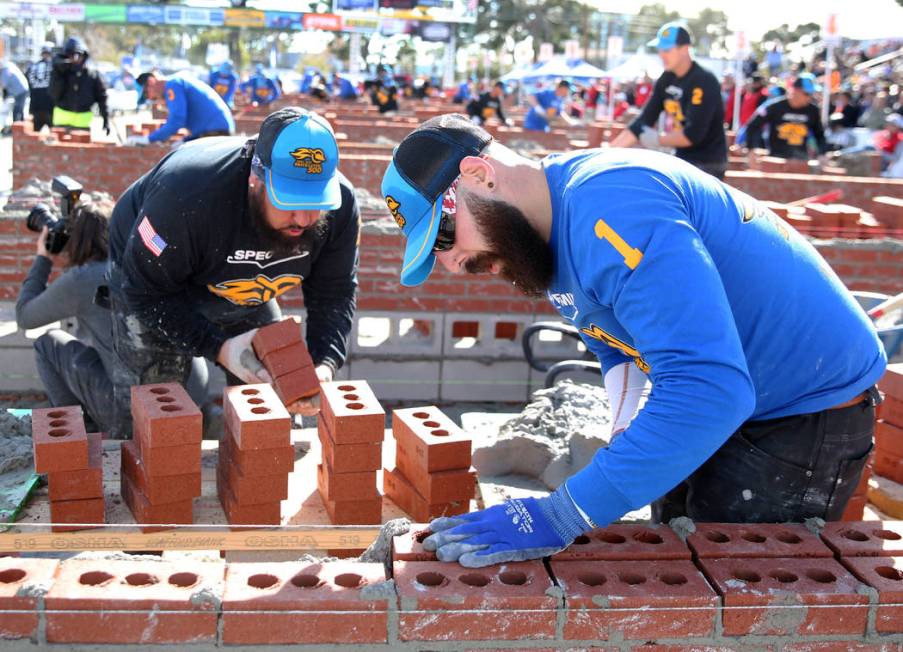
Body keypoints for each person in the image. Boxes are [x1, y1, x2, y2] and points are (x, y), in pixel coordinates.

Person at [380, 114, 886, 568]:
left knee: (732, 594)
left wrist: (565, 513)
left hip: (800, 413)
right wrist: (625, 432)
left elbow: (708, 389)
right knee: (675, 561)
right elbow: (615, 344)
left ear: (477, 175)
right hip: (731, 400)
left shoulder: (612, 207)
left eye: (444, 239)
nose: (451, 262)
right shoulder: (547, 235)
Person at [106, 107, 360, 438]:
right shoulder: (186, 196)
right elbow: (145, 291)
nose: (302, 218)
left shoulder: (340, 207)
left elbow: (334, 291)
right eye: (289, 202)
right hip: (161, 280)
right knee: (153, 414)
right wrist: (220, 348)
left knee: (273, 405)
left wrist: (324, 364)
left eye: (315, 204)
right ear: (256, 179)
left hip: (243, 283)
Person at [610, 22, 727, 180]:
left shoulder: (704, 81)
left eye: (667, 50)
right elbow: (643, 121)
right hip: (683, 157)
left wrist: (658, 139)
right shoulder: (666, 79)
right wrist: (606, 155)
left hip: (708, 162)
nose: (661, 55)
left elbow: (693, 135)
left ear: (685, 49)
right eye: (659, 49)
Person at [127, 70, 234, 146]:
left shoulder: (172, 85)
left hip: (215, 131)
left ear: (151, 82)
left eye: (146, 94)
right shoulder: (175, 83)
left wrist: (148, 139)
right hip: (214, 130)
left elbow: (177, 120)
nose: (150, 98)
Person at [743, 73, 827, 162]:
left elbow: (820, 135)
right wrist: (751, 149)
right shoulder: (774, 106)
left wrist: (822, 153)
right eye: (806, 94)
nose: (809, 98)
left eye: (811, 94)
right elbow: (752, 126)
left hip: (800, 160)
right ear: (795, 90)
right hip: (775, 159)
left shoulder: (813, 110)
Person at [49, 36, 109, 134]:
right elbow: (54, 93)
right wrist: (59, 71)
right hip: (61, 124)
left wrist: (106, 119)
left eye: (78, 55)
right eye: (71, 56)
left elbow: (102, 98)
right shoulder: (61, 72)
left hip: (83, 124)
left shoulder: (92, 75)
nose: (75, 59)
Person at [25, 43, 55, 132]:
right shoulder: (53, 66)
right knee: (54, 135)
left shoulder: (32, 67)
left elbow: (27, 83)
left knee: (35, 136)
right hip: (50, 106)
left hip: (35, 106)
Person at [0, 60, 29, 134]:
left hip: (20, 91)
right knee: (19, 110)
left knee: (17, 110)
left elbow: (2, 85)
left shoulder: (5, 71)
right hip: (21, 90)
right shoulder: (9, 66)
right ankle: (21, 128)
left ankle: (16, 130)